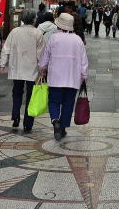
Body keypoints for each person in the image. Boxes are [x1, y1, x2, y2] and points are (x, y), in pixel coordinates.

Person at [38, 13, 89, 141]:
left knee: (54, 101)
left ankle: (55, 120)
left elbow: (45, 56)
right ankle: (63, 128)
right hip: (72, 78)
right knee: (68, 103)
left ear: (59, 25)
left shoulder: (53, 38)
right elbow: (84, 60)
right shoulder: (78, 40)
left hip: (56, 77)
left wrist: (42, 68)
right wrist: (84, 74)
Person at [0, 9, 45, 133]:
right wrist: (43, 68)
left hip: (17, 68)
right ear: (34, 19)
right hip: (32, 69)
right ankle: (28, 123)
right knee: (31, 96)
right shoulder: (38, 33)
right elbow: (41, 54)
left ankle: (15, 116)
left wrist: (2, 64)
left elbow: (5, 49)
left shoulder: (15, 31)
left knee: (17, 93)